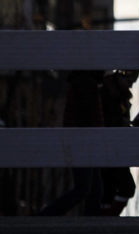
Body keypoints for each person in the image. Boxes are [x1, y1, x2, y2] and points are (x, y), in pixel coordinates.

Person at [37, 70, 105, 216]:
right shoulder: (87, 83)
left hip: (82, 141)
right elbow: (89, 117)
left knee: (93, 189)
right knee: (85, 188)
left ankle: (46, 216)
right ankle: (45, 216)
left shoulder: (84, 82)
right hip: (84, 142)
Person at [99, 69, 139, 216]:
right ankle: (107, 217)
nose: (130, 86)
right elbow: (110, 123)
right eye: (129, 82)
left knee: (110, 188)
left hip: (116, 148)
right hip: (110, 149)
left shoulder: (119, 97)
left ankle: (104, 218)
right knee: (125, 186)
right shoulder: (108, 95)